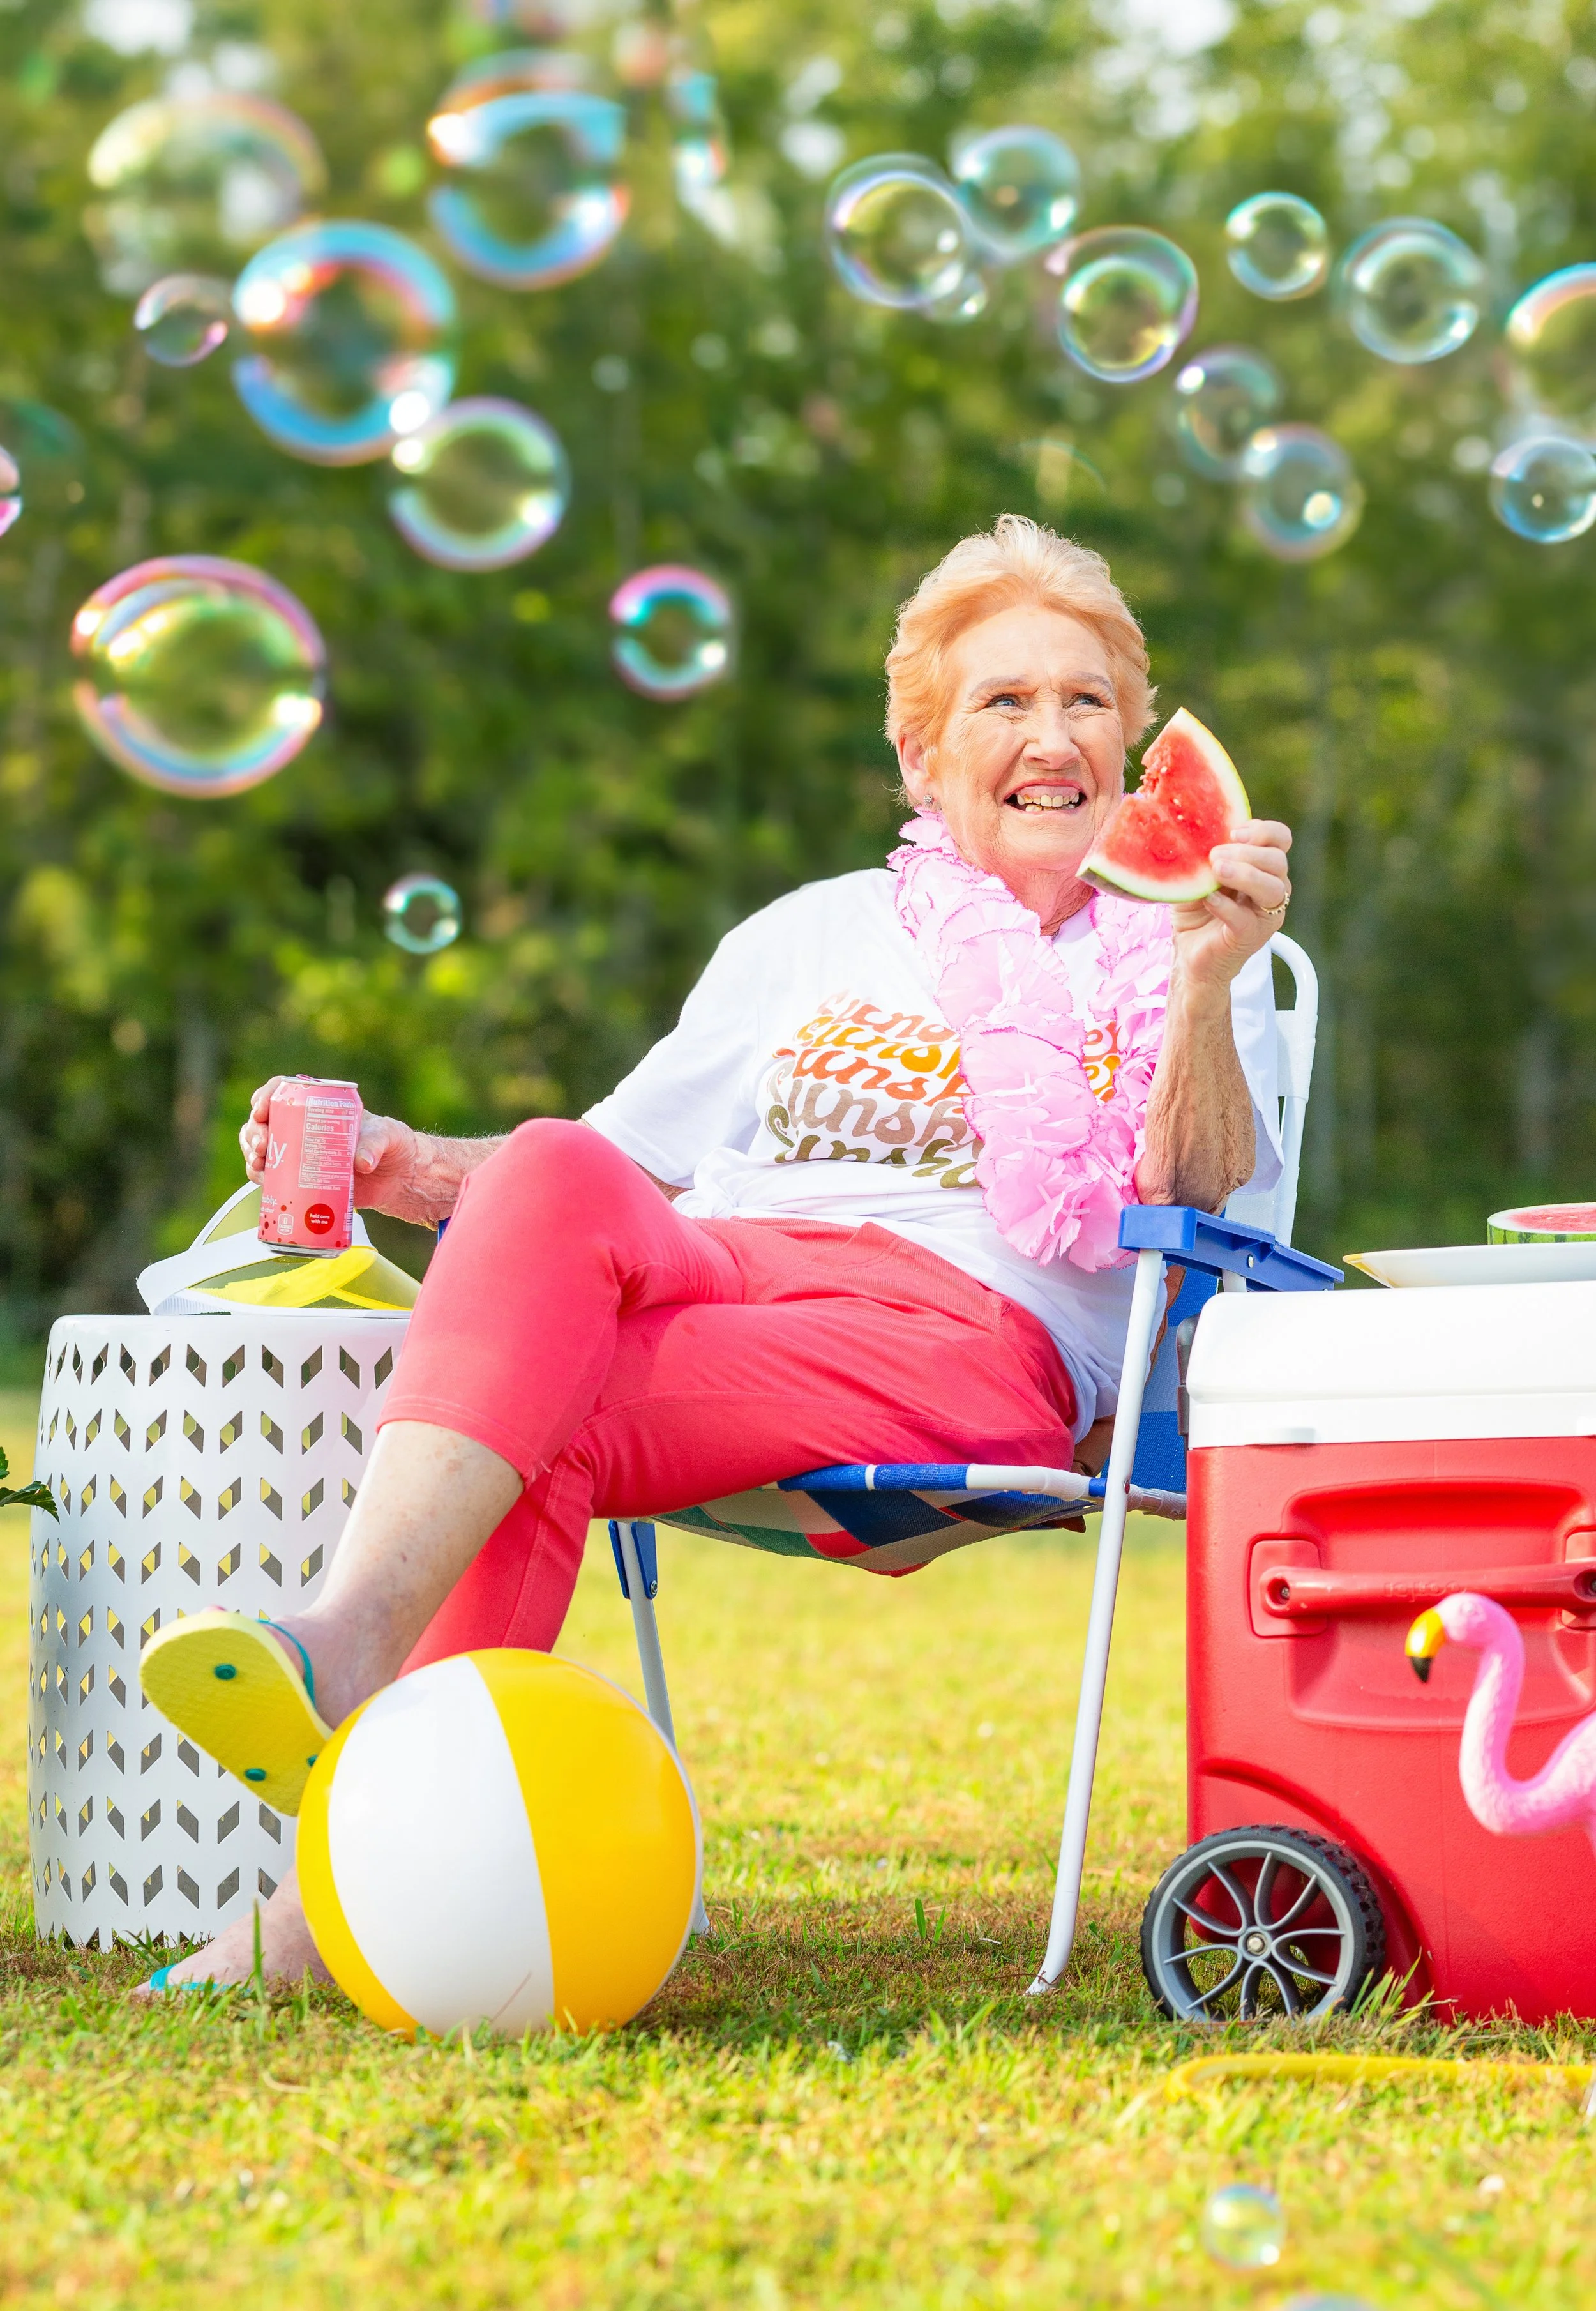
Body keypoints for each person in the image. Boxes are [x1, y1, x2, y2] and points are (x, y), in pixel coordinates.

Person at [137, 515, 1292, 1994]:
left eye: (1085, 703)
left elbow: (1197, 1196)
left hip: (963, 1335)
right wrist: (416, 1171)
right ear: (921, 759)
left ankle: (326, 1893)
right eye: (1001, 701)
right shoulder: (805, 937)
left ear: (1134, 746)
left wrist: (1202, 986)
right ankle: (344, 1662)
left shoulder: (1190, 948)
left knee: (538, 1428)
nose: (1050, 734)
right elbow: (609, 1171)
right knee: (552, 1154)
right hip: (727, 1257)